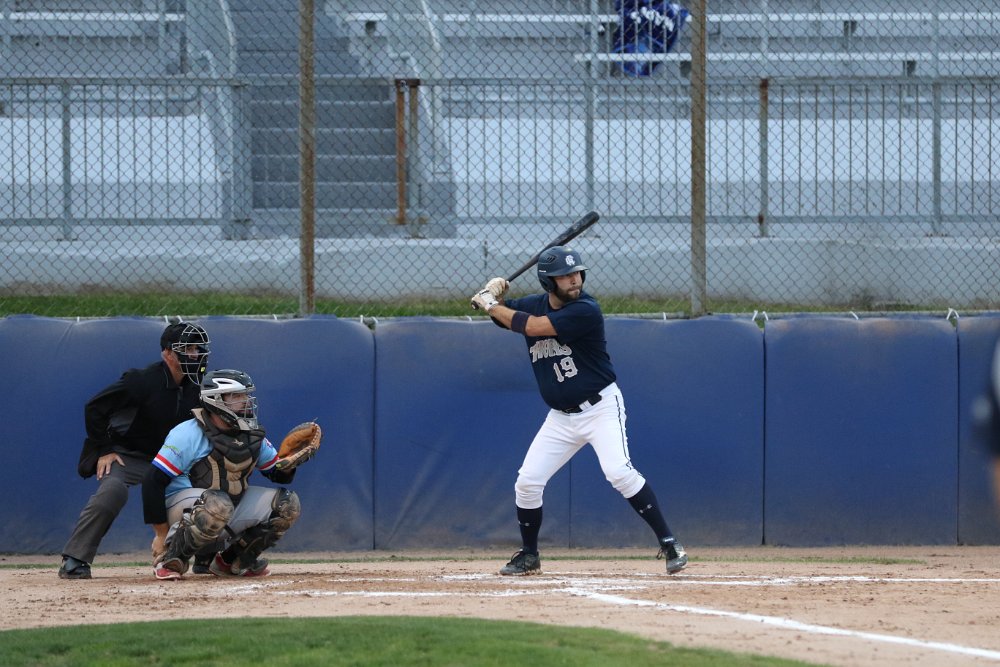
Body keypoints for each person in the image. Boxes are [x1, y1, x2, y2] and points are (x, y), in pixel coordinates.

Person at [470, 246, 687, 576]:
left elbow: (531, 327)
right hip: (561, 417)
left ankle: (669, 543)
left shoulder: (585, 309)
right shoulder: (534, 304)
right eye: (564, 276)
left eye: (576, 273)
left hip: (600, 408)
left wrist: (490, 303)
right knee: (527, 482)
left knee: (618, 472)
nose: (574, 280)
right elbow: (505, 318)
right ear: (549, 282)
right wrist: (493, 296)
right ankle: (529, 555)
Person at [58, 321, 211, 580]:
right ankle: (75, 558)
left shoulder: (196, 388)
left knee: (211, 489)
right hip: (129, 456)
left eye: (197, 349)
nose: (194, 354)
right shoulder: (141, 381)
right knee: (113, 491)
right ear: (167, 353)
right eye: (187, 348)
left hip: (171, 460)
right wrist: (105, 449)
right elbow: (94, 408)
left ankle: (209, 555)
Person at [142, 369, 302, 580]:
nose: (245, 401)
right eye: (236, 396)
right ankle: (172, 558)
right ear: (216, 400)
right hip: (181, 510)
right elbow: (152, 482)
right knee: (218, 503)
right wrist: (160, 535)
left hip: (224, 506)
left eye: (245, 395)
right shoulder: (188, 432)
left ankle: (231, 561)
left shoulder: (250, 432)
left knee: (287, 504)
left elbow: (277, 474)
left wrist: (290, 462)